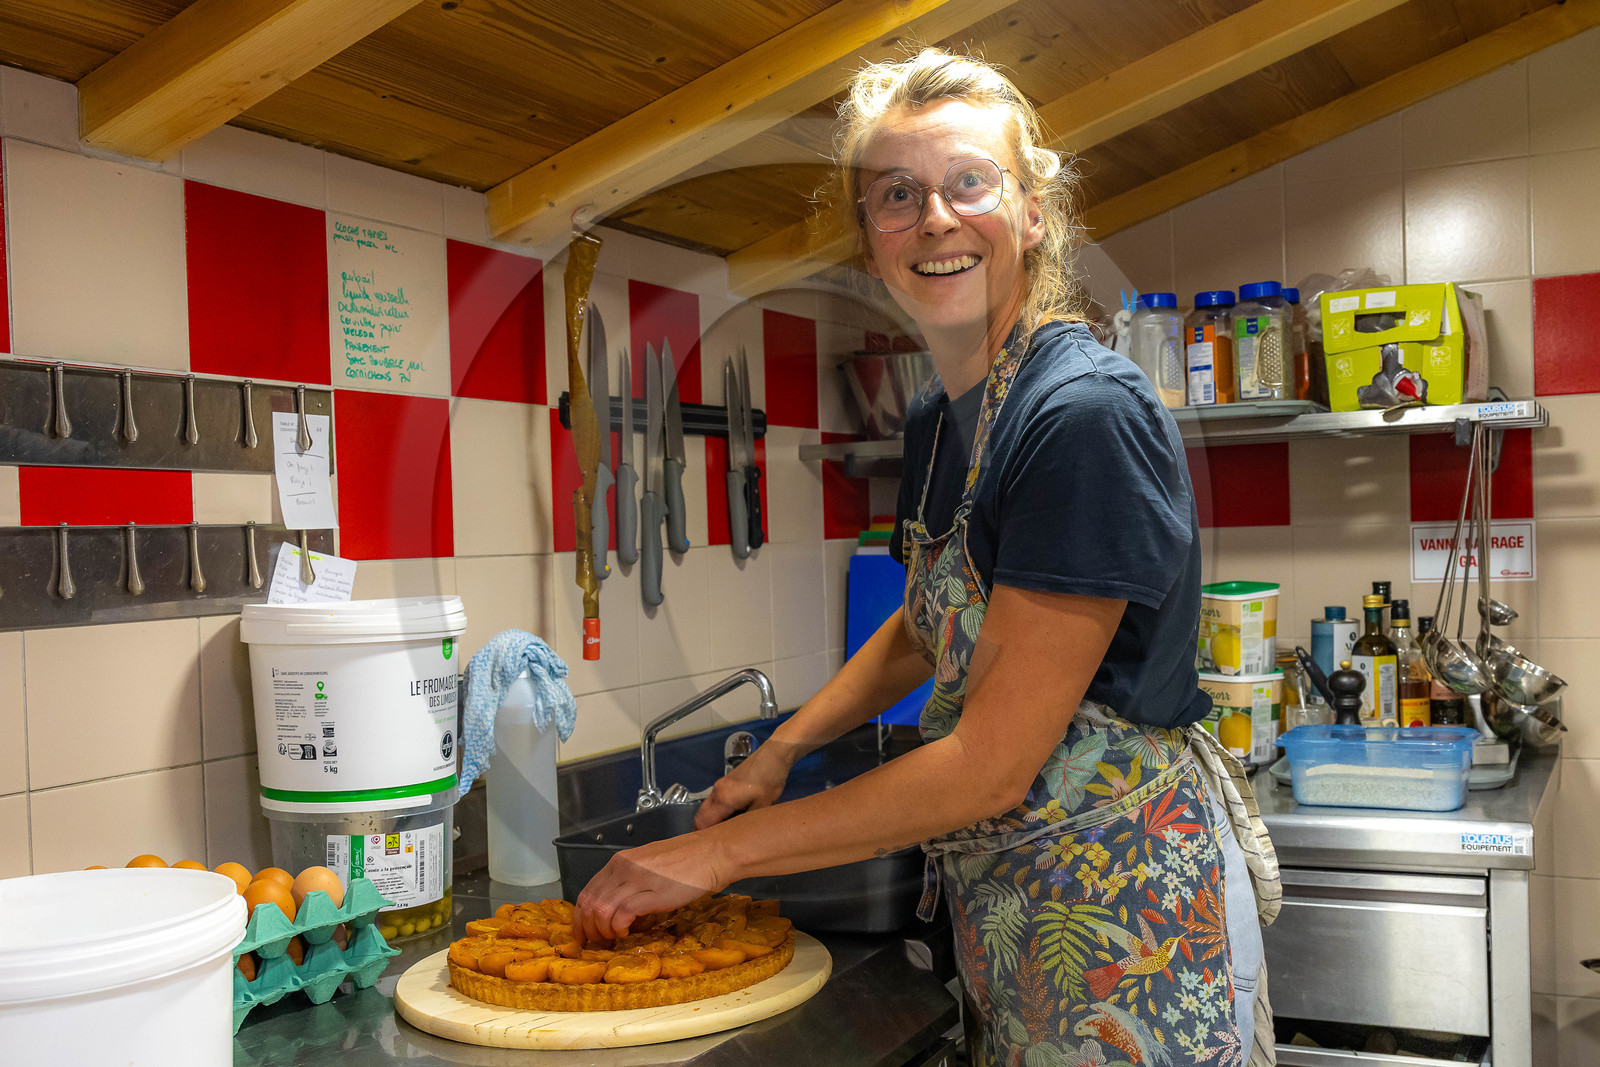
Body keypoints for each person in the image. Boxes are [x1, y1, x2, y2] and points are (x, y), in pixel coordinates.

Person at [575, 49, 1280, 1067]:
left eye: (967, 184)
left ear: (1031, 213)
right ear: (868, 242)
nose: (935, 220)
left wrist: (709, 853)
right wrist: (782, 745)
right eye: (897, 196)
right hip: (1016, 901)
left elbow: (990, 762)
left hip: (1129, 909)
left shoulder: (1078, 414)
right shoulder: (941, 413)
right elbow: (927, 619)